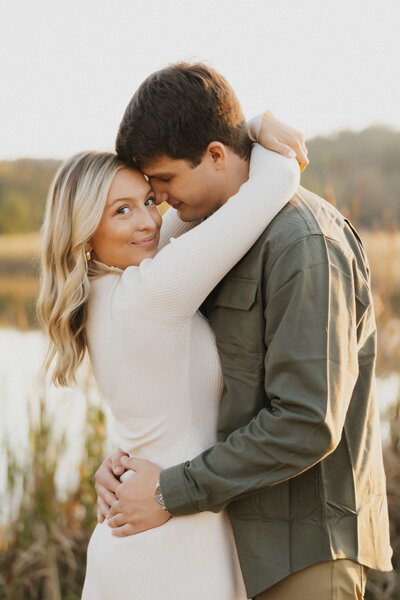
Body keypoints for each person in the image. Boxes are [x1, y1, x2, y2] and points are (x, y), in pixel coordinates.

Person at [96, 62, 393, 600]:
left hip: (300, 551)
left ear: (213, 155)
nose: (157, 200)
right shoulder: (209, 234)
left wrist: (165, 491)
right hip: (226, 542)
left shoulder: (303, 244)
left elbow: (306, 420)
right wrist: (124, 469)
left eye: (163, 180)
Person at [38, 98, 302, 597]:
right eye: (121, 210)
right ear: (85, 232)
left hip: (151, 531)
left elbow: (186, 220)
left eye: (148, 201)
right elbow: (274, 182)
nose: (149, 222)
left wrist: (231, 131)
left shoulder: (108, 292)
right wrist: (253, 127)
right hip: (170, 545)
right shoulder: (151, 293)